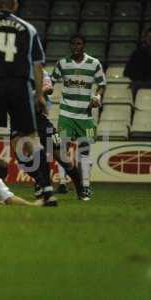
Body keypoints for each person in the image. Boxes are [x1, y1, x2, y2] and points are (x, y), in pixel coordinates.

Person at [0, 0, 56, 206]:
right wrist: (39, 96)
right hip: (20, 86)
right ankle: (48, 190)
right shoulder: (28, 28)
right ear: (15, 5)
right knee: (31, 140)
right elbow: (37, 63)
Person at [0, 69, 84, 205]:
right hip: (17, 121)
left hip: (39, 120)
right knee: (22, 158)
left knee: (63, 158)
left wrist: (35, 95)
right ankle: (41, 181)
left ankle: (80, 187)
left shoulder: (39, 71)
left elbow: (48, 88)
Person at [51, 34, 106, 201]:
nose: (76, 46)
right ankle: (61, 183)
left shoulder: (94, 63)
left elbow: (102, 85)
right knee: (62, 149)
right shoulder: (62, 63)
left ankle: (86, 187)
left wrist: (97, 97)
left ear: (84, 46)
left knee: (84, 151)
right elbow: (51, 82)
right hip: (66, 113)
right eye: (73, 43)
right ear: (70, 46)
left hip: (85, 115)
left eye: (79, 43)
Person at [124, 27, 151, 97]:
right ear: (145, 38)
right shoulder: (137, 53)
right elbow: (127, 71)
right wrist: (140, 76)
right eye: (148, 36)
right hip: (142, 81)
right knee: (132, 88)